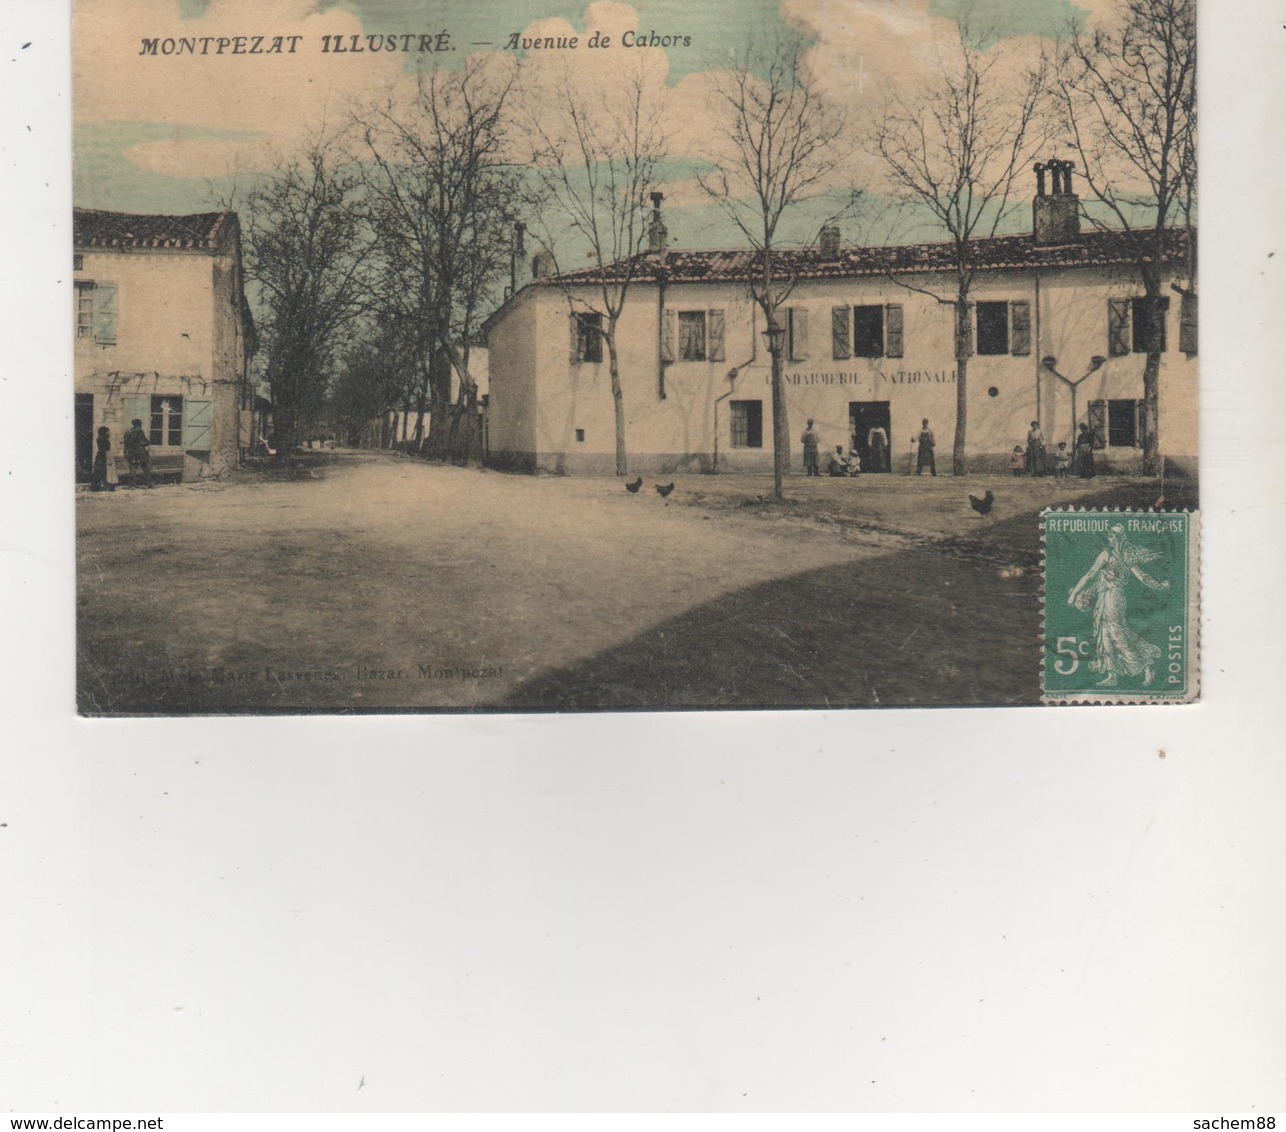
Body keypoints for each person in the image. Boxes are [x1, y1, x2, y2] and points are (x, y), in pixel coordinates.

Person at [1067, 523, 1169, 687]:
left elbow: (1090, 575)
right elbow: (1092, 577)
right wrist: (1160, 585)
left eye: (1113, 536)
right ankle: (1112, 675)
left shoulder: (1109, 555)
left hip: (1113, 597)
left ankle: (1146, 664)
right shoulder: (1120, 555)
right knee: (1105, 633)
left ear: (1120, 538)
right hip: (1105, 597)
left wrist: (1073, 595)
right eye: (1109, 536)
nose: (1110, 539)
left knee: (1115, 632)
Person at [124, 418, 152, 487]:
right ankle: (149, 483)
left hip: (131, 452)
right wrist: (146, 443)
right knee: (145, 467)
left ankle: (132, 484)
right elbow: (145, 442)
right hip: (140, 452)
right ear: (139, 424)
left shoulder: (128, 431)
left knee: (133, 468)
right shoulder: (140, 431)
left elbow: (126, 442)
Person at [90, 426, 117, 492]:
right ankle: (104, 486)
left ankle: (98, 486)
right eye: (108, 431)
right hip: (105, 455)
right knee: (105, 471)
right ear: (105, 432)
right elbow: (106, 449)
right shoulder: (104, 439)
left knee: (99, 471)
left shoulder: (99, 438)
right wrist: (109, 458)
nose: (109, 433)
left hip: (101, 455)